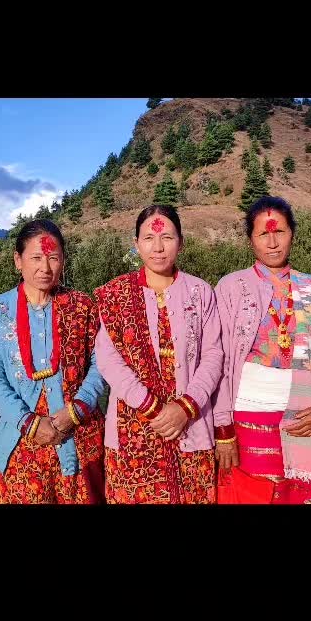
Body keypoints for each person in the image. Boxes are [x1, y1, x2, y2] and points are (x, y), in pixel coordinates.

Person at [213, 196, 311, 504]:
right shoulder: (231, 287)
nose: (273, 242)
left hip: (308, 419)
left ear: (293, 234)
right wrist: (223, 429)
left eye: (280, 232)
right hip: (247, 423)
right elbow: (218, 360)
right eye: (263, 233)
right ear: (250, 239)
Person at [94, 205, 223, 504]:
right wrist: (153, 408)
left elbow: (213, 355)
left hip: (191, 426)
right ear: (136, 243)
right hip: (131, 429)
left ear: (181, 242)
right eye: (149, 238)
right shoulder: (115, 295)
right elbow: (109, 360)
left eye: (167, 237)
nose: (158, 247)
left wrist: (185, 408)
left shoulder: (200, 292)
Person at [0, 219, 106, 503]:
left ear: (63, 261)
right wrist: (29, 423)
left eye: (53, 258)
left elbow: (101, 363)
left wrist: (76, 410)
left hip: (79, 435)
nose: (45, 268)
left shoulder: (82, 306)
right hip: (21, 440)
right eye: (36, 258)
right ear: (18, 260)